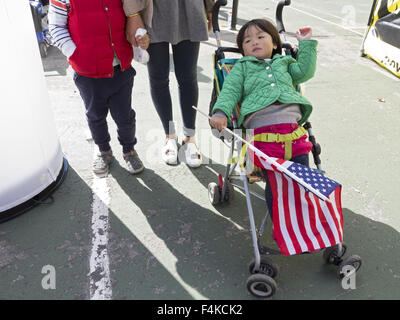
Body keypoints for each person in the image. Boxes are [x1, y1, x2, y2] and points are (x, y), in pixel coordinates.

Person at [210, 19, 318, 216]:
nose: (255, 42)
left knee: (303, 181)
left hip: (294, 135)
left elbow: (305, 72)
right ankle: (283, 228)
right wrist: (221, 112)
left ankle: (303, 224)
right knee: (278, 185)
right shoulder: (242, 67)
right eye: (247, 41)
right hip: (262, 136)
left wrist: (306, 44)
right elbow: (230, 92)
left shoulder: (284, 62)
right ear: (242, 49)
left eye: (261, 37)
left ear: (275, 43)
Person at [48, 0, 149, 175]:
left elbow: (129, 16)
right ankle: (104, 151)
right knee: (95, 116)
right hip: (87, 72)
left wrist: (139, 37)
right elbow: (56, 26)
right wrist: (75, 53)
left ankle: (129, 150)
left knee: (125, 116)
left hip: (120, 67)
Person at [123, 0, 215, 167]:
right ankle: (169, 135)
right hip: (153, 8)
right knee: (159, 78)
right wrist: (133, 13)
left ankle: (189, 137)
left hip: (190, 7)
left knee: (188, 76)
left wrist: (210, 6)